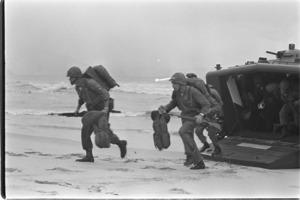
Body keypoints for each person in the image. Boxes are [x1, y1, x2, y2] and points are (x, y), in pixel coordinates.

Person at [66, 66, 127, 162]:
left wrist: (105, 109)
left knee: (104, 133)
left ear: (76, 77)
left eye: (70, 77)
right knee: (86, 130)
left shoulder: (90, 82)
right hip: (92, 110)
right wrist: (77, 109)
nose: (69, 79)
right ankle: (89, 155)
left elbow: (105, 94)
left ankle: (120, 143)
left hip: (101, 108)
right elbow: (82, 99)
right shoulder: (78, 87)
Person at [158, 72, 211, 170]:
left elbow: (206, 104)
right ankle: (199, 163)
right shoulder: (176, 93)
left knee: (183, 131)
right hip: (185, 116)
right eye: (172, 84)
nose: (173, 86)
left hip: (194, 116)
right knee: (189, 138)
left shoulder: (193, 91)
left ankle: (190, 155)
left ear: (181, 83)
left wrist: (201, 115)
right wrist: (165, 108)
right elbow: (173, 103)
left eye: (175, 84)